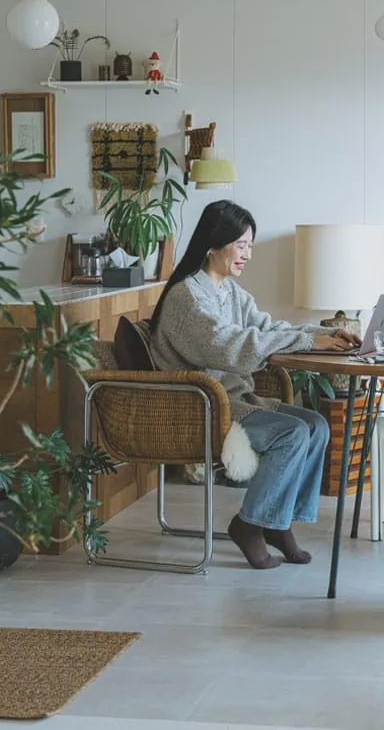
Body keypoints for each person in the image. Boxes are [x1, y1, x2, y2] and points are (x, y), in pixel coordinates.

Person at [149, 200, 358, 569]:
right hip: (202, 408)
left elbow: (267, 329)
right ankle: (248, 524)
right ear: (214, 244)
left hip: (232, 400)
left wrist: (323, 334)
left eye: (250, 246)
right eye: (242, 245)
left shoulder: (229, 291)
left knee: (317, 426)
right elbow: (228, 346)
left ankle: (276, 522)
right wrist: (310, 342)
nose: (248, 254)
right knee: (292, 433)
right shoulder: (187, 297)